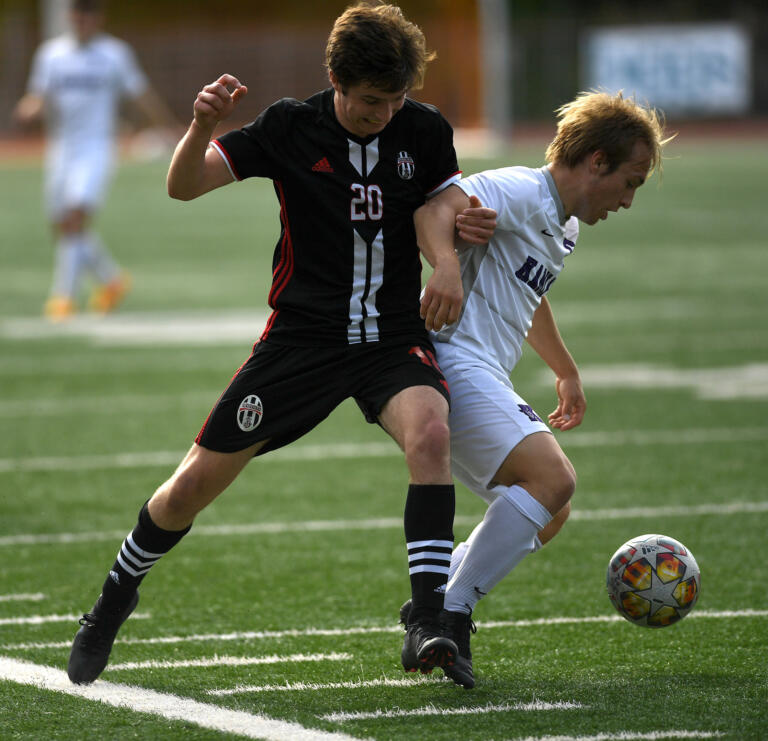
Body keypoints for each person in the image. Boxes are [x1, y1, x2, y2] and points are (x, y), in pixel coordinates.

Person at [66, 2, 497, 685]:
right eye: (368, 102)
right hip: (303, 340)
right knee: (189, 489)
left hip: (390, 337)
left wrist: (445, 260)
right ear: (334, 78)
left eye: (394, 100)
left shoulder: (424, 129)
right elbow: (185, 186)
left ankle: (427, 621)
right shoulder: (290, 125)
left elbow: (440, 199)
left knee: (431, 436)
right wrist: (203, 124)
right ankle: (115, 596)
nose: (382, 114)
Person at [401, 90, 673, 688]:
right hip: (452, 357)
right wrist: (446, 259)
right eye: (629, 182)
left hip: (483, 368)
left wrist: (564, 367)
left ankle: (439, 597)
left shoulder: (565, 223)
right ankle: (449, 611)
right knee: (553, 480)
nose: (627, 200)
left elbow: (531, 290)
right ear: (596, 162)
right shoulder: (520, 190)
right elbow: (431, 211)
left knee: (550, 510)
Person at [12, 0, 177, 322]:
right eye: (76, 15)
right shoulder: (51, 54)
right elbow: (39, 95)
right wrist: (28, 107)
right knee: (62, 225)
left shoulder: (114, 54)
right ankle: (111, 279)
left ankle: (63, 298)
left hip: (96, 148)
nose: (81, 21)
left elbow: (140, 93)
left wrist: (168, 126)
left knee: (75, 217)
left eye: (88, 15)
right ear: (69, 17)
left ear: (98, 19)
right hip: (61, 150)